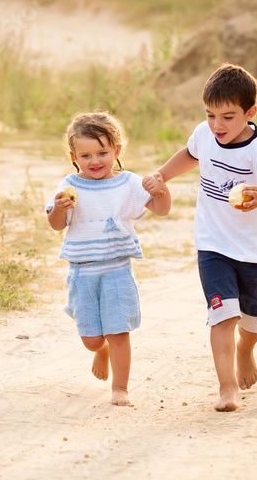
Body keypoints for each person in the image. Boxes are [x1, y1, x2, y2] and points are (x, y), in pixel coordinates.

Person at [143, 63, 257, 412]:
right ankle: (227, 389)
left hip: (251, 250)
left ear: (250, 112)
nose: (217, 126)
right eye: (210, 115)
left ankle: (246, 350)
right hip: (212, 245)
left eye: (227, 117)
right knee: (222, 316)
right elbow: (189, 155)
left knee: (252, 323)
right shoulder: (204, 135)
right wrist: (161, 175)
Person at [47, 111, 171, 406]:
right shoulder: (69, 186)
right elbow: (55, 225)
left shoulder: (128, 183)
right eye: (86, 155)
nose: (95, 161)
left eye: (102, 152)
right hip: (83, 272)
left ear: (116, 150)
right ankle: (99, 351)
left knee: (118, 331)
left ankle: (120, 387)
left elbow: (161, 209)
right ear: (74, 156)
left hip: (117, 269)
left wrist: (161, 192)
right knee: (91, 338)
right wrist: (59, 209)